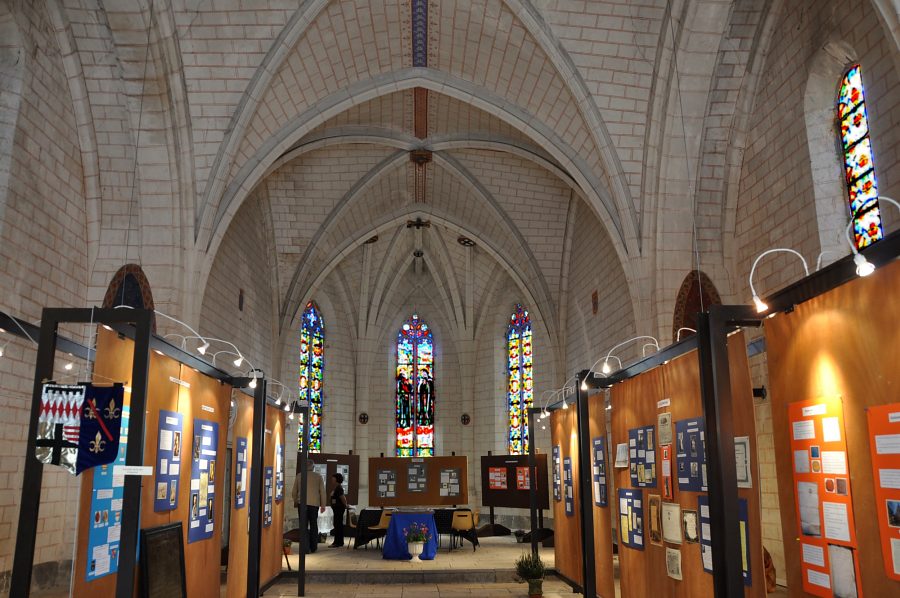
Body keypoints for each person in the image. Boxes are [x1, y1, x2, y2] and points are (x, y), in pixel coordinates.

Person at [291, 460, 326, 554]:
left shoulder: (299, 475)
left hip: (302, 504)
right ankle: (313, 547)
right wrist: (323, 505)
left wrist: (296, 501)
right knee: (314, 525)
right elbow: (322, 491)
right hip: (314, 504)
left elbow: (294, 491)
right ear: (313, 467)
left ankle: (305, 548)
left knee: (303, 526)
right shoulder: (318, 476)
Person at [329, 473, 348, 547]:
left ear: (336, 479)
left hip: (339, 509)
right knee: (337, 525)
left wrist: (345, 505)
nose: (331, 479)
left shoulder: (339, 488)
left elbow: (343, 498)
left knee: (338, 525)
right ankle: (339, 541)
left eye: (333, 478)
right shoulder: (337, 487)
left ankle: (337, 542)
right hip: (336, 509)